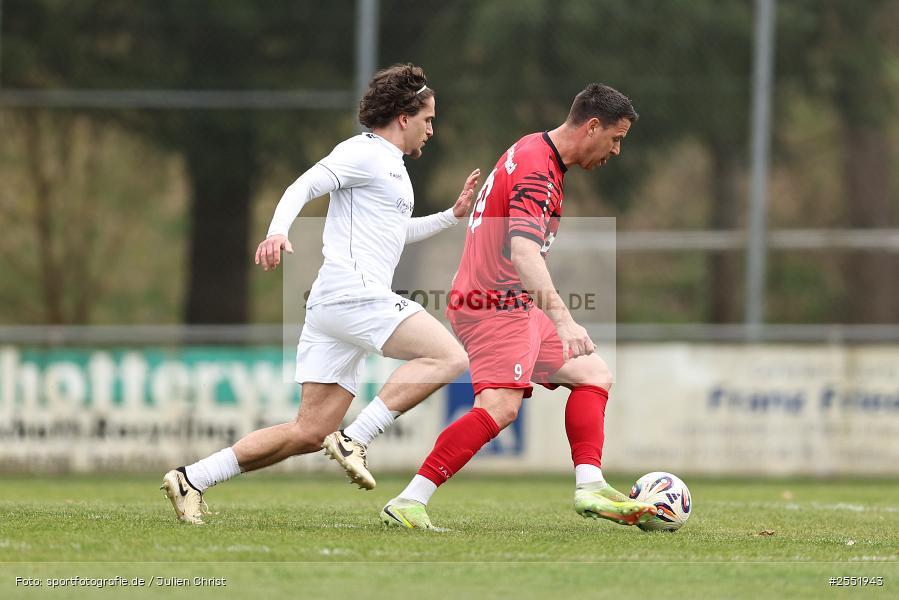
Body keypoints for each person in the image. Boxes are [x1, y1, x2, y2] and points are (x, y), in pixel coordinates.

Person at [160, 63, 479, 524]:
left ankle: (193, 478)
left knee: (308, 432)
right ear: (405, 117)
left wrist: (451, 215)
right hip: (353, 294)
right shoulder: (364, 151)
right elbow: (304, 184)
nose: (432, 129)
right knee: (448, 356)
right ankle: (357, 438)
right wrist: (276, 231)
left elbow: (393, 233)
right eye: (428, 119)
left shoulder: (393, 169)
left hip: (335, 303)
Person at [378, 83, 658, 530]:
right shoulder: (538, 172)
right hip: (493, 303)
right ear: (592, 126)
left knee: (592, 374)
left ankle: (590, 485)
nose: (617, 150)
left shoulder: (533, 147)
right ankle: (410, 500)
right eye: (616, 138)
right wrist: (564, 323)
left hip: (510, 302)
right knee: (500, 408)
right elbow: (524, 253)